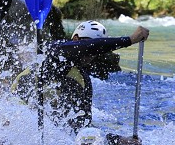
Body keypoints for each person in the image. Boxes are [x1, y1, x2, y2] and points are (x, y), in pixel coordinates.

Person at [11, 20, 150, 133]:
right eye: (91, 47)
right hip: (13, 111)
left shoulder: (82, 80)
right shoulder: (56, 49)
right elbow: (87, 46)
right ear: (76, 39)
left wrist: (118, 141)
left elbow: (83, 129)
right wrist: (129, 40)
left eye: (96, 52)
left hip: (41, 127)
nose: (91, 54)